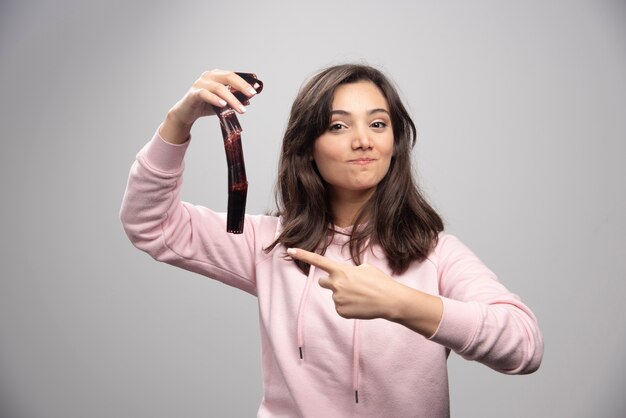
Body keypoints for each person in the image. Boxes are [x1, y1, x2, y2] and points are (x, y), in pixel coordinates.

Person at [120, 64, 543, 417]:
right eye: (338, 125)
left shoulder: (437, 254)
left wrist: (399, 303)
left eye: (378, 124)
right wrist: (180, 120)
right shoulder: (269, 245)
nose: (363, 140)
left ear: (394, 144)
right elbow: (151, 223)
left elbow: (523, 346)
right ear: (308, 147)